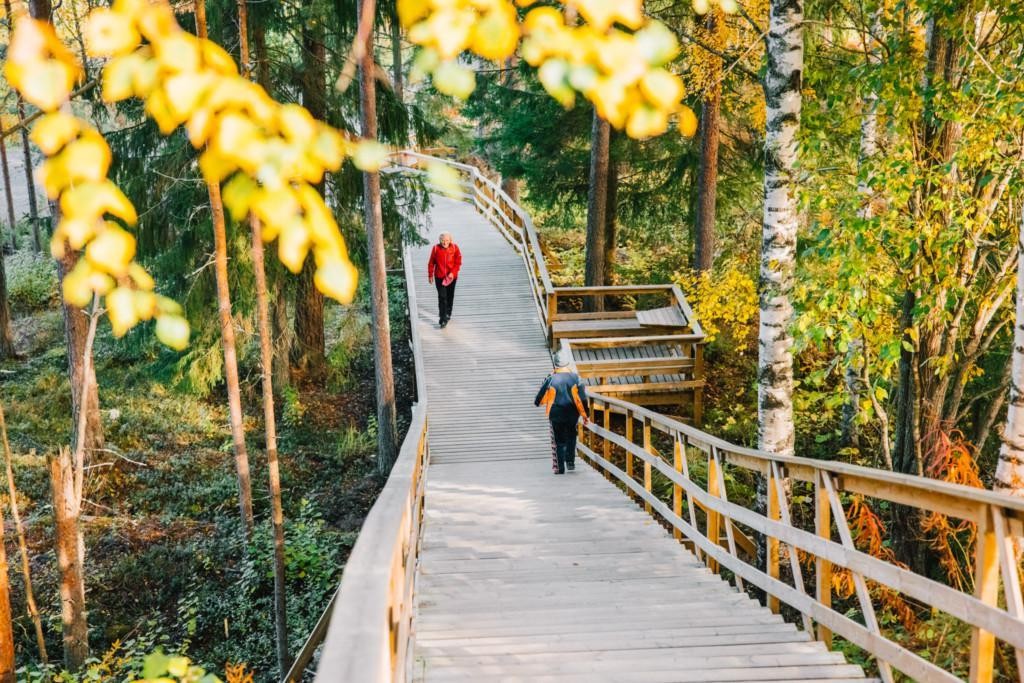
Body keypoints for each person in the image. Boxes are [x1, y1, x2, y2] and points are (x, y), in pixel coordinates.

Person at [534, 350, 590, 474]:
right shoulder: (576, 378)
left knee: (559, 441)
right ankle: (570, 462)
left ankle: (560, 468)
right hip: (572, 413)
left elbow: (541, 394)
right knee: (571, 436)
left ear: (555, 364)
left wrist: (537, 402)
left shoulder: (551, 378)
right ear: (567, 364)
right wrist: (586, 414)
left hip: (556, 413)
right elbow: (582, 398)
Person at [427, 231, 462, 328]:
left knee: (450, 296)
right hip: (439, 277)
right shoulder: (435, 249)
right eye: (442, 240)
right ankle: (442, 318)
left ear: (450, 240)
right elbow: (431, 263)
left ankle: (448, 313)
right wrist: (430, 275)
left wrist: (453, 273)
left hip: (451, 277)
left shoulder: (455, 248)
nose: (444, 242)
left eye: (447, 240)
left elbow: (458, 263)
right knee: (442, 297)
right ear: (439, 240)